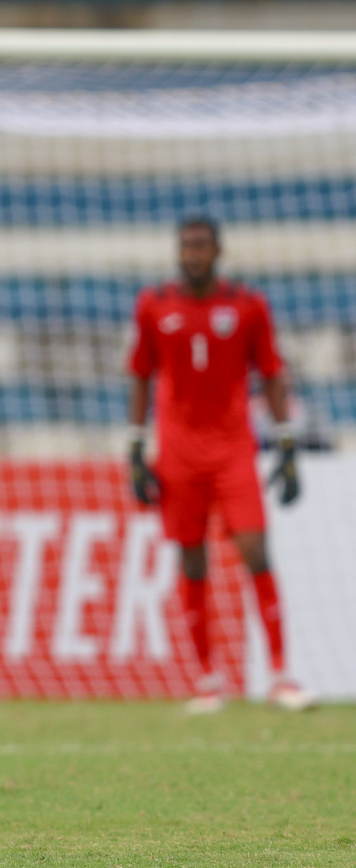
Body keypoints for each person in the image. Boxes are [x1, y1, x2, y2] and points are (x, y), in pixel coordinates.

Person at [127, 216, 310, 713]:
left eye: (201, 246)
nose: (192, 254)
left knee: (255, 550)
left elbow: (271, 373)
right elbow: (140, 375)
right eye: (186, 246)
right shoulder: (155, 305)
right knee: (191, 558)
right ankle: (208, 679)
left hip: (233, 449)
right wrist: (135, 448)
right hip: (179, 451)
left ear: (218, 251)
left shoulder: (248, 306)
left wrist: (287, 444)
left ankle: (281, 675)